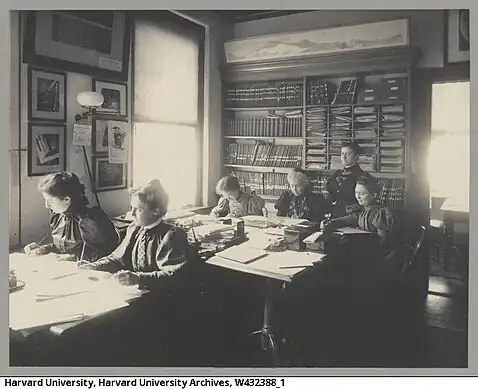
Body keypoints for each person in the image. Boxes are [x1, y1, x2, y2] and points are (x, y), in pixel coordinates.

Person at [79, 179, 191, 291]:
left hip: (161, 296)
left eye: (138, 209)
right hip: (137, 292)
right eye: (131, 208)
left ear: (156, 211)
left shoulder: (171, 235)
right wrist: (95, 266)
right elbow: (116, 259)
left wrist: (138, 279)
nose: (131, 213)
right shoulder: (134, 228)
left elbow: (172, 275)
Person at [23, 172, 119, 262]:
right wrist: (43, 249)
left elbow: (107, 254)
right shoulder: (58, 216)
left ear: (67, 199)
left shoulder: (91, 219)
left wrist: (73, 258)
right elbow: (61, 247)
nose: (46, 205)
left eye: (50, 201)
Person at [325, 142, 364, 218]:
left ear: (357, 156)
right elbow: (330, 191)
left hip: (351, 216)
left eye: (348, 154)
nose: (344, 157)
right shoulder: (337, 173)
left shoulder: (361, 176)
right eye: (342, 154)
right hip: (335, 214)